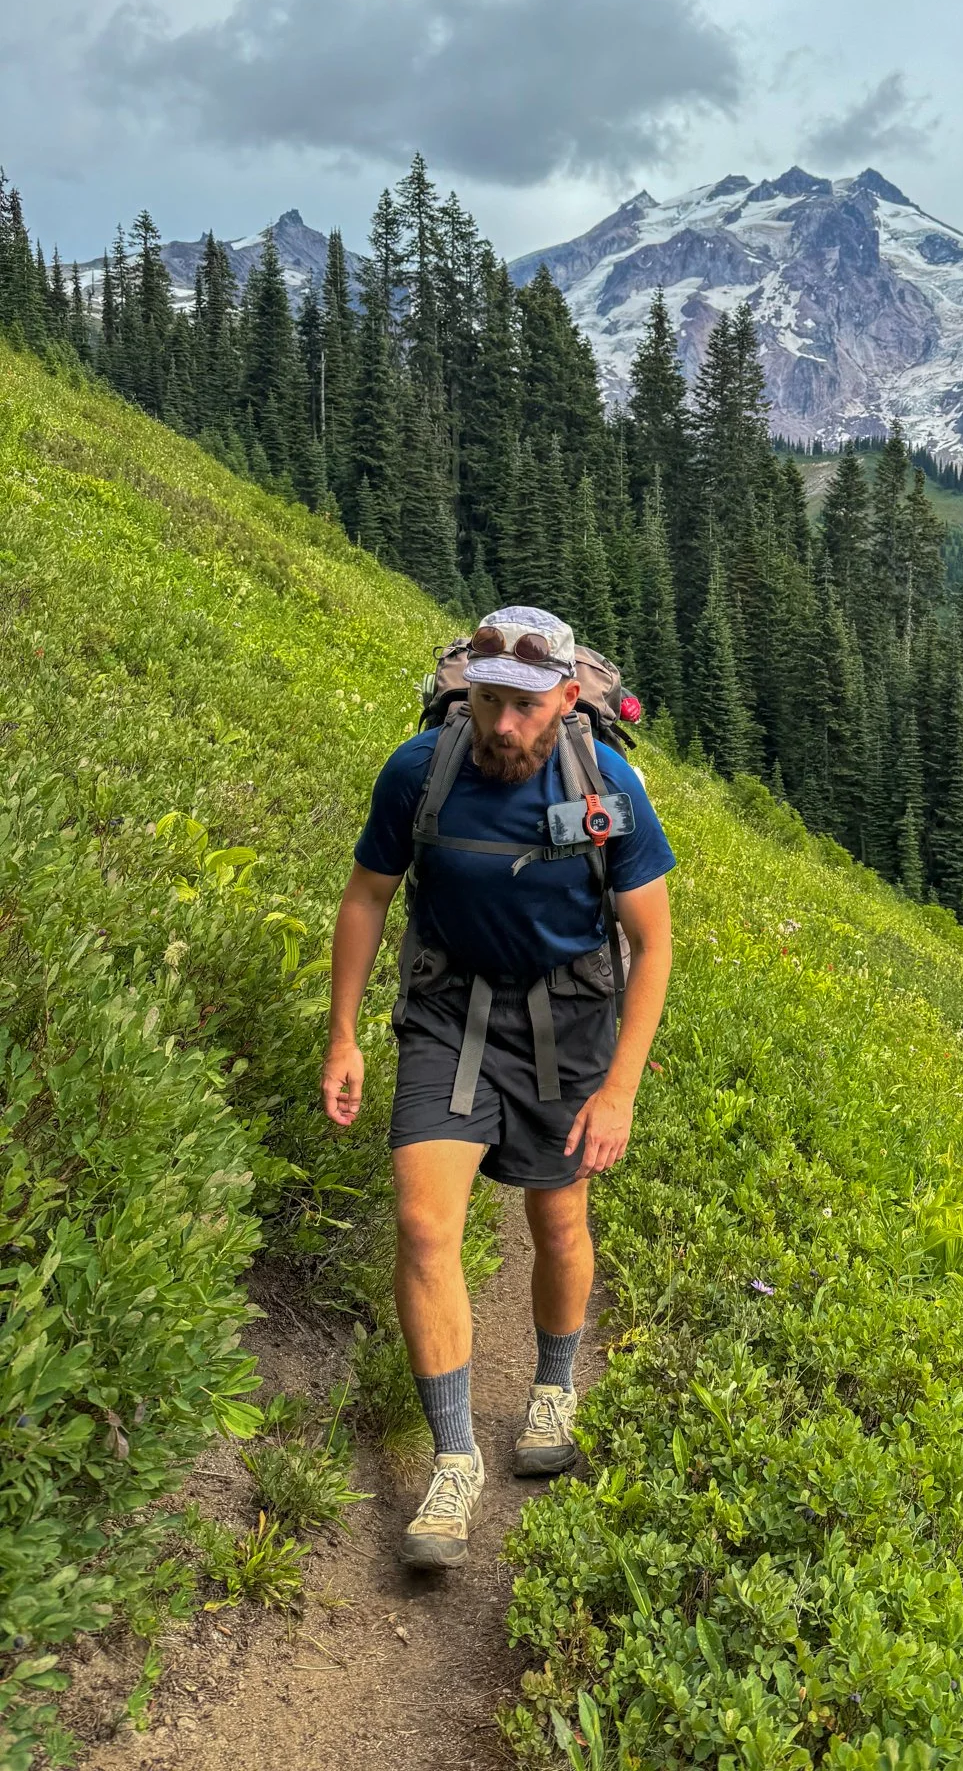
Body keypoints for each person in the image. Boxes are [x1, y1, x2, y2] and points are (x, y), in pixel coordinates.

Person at [320, 606, 674, 1568]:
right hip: (448, 1015)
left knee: (556, 1220)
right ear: (467, 692)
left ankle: (553, 1386)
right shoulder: (419, 770)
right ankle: (455, 1459)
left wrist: (620, 1091)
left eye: (525, 706)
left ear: (566, 697)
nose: (503, 725)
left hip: (569, 1026)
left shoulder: (608, 786)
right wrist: (343, 1035)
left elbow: (652, 944)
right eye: (487, 702)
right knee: (423, 1224)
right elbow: (367, 896)